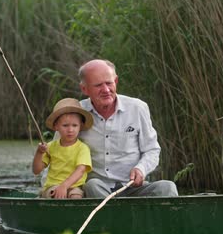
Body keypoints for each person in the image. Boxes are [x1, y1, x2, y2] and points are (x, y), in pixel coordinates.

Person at [76, 59, 178, 198]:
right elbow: (57, 151)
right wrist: (50, 187)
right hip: (98, 191)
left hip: (133, 187)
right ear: (84, 89)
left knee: (167, 187)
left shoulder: (137, 108)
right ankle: (110, 218)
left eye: (109, 83)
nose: (106, 90)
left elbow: (152, 150)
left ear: (116, 81)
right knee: (92, 184)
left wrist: (140, 169)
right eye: (98, 85)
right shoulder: (76, 112)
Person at [33, 98, 93, 199]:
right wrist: (39, 153)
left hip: (75, 186)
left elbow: (80, 170)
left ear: (80, 127)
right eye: (65, 125)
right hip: (53, 186)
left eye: (74, 125)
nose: (70, 130)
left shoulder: (82, 148)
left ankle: (75, 214)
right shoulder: (51, 146)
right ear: (56, 126)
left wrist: (64, 186)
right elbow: (36, 170)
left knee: (76, 196)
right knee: (56, 194)